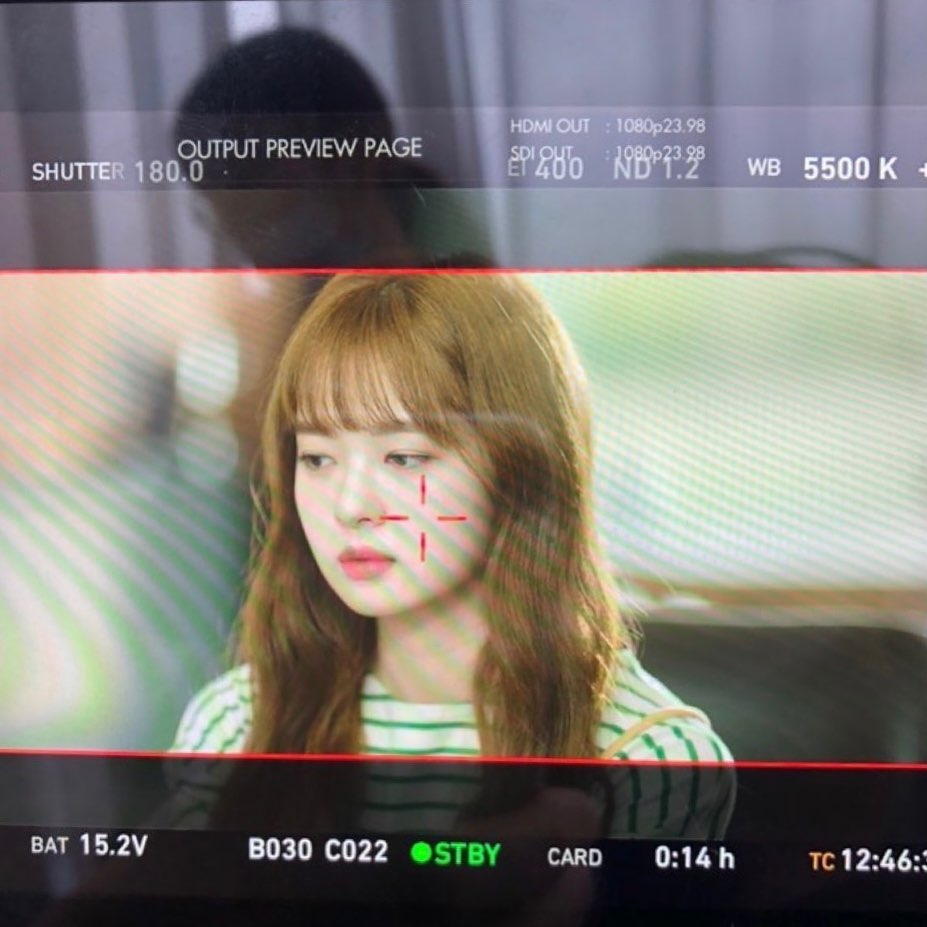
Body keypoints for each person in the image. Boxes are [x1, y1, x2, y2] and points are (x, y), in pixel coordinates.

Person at [171, 272, 734, 839]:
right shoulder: (238, 725)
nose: (350, 506)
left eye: (404, 458)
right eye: (318, 458)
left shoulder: (649, 756)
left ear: (520, 468)